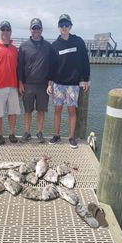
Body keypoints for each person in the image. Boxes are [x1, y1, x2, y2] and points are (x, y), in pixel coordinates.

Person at [47, 14, 90, 149]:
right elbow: (51, 66)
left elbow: (85, 61)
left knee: (72, 110)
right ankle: (57, 135)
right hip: (58, 84)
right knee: (57, 110)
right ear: (59, 27)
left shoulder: (78, 41)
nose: (64, 27)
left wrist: (86, 79)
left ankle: (71, 137)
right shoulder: (54, 45)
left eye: (66, 25)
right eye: (62, 25)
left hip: (73, 84)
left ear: (70, 26)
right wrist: (49, 84)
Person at [18, 18, 55, 143]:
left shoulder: (48, 47)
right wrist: (20, 83)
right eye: (34, 28)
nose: (36, 30)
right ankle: (27, 132)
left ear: (41, 29)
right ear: (30, 29)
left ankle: (39, 132)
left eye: (38, 28)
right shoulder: (23, 46)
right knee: (27, 110)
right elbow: (19, 66)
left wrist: (50, 83)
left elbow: (52, 67)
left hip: (43, 85)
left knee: (41, 110)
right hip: (28, 84)